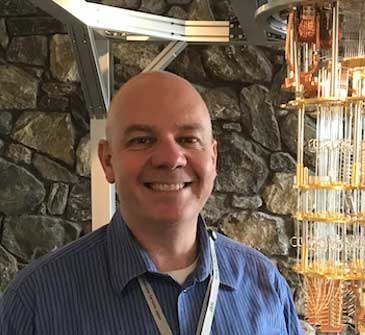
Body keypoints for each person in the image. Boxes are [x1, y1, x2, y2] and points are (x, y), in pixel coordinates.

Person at [0, 72, 303, 335]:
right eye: (142, 140)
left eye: (187, 139)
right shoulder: (36, 302)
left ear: (212, 157)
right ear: (108, 161)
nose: (170, 159)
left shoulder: (265, 285)